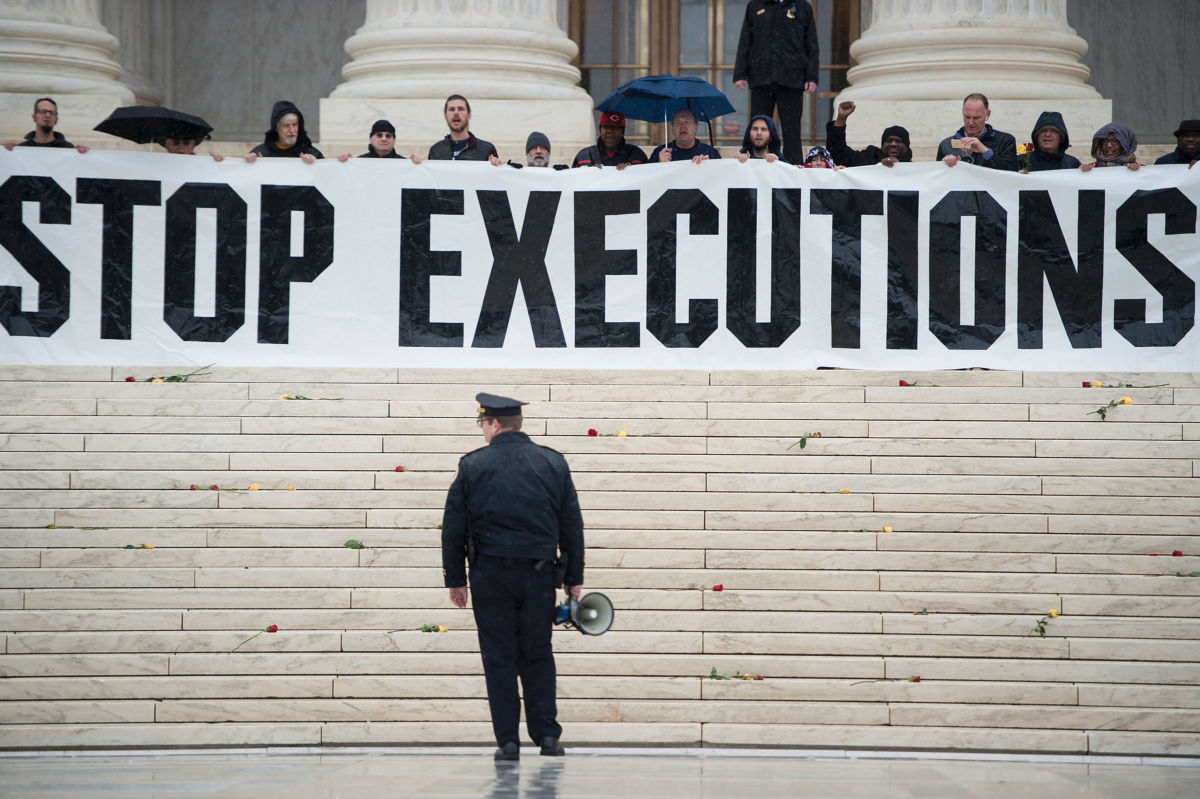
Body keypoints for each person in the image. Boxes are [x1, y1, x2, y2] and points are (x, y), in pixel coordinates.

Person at [442, 393, 585, 761]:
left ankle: (508, 741)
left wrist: (455, 579)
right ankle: (548, 736)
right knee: (538, 653)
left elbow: (453, 527)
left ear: (494, 424)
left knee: (499, 656)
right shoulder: (553, 462)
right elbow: (572, 524)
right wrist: (573, 577)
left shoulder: (472, 465)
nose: (482, 431)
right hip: (539, 575)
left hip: (490, 575)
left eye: (482, 424)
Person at [733, 0, 819, 166]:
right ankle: (753, 166)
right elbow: (746, 39)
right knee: (758, 126)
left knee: (791, 129)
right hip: (761, 77)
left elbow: (812, 44)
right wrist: (740, 73)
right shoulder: (755, 6)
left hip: (792, 78)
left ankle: (793, 170)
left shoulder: (802, 7)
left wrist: (811, 76)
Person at [936, 93, 1018, 170]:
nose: (971, 122)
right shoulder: (946, 145)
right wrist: (944, 165)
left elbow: (1011, 174)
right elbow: (938, 180)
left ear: (988, 114)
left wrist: (986, 152)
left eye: (976, 118)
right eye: (967, 117)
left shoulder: (1005, 141)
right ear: (962, 112)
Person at [824, 101, 911, 167]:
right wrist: (841, 118)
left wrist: (899, 167)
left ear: (906, 146)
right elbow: (838, 153)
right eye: (889, 140)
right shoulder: (869, 158)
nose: (893, 144)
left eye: (898, 141)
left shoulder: (915, 170)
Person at [427, 94, 498, 162]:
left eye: (461, 109)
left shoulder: (486, 150)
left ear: (469, 116)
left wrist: (496, 166)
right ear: (445, 116)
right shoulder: (436, 151)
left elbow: (496, 173)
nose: (456, 113)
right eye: (451, 109)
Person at [246, 100, 322, 162]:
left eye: (294, 124)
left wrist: (315, 164)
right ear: (276, 127)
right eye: (286, 125)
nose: (292, 130)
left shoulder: (311, 153)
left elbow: (326, 175)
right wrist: (250, 163)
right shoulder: (261, 153)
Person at [3, 97, 88, 153]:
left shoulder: (68, 149)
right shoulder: (23, 148)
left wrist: (86, 155)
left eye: (51, 113)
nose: (47, 115)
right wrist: (6, 151)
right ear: (34, 117)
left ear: (56, 119)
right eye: (43, 112)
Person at [571, 111, 647, 169]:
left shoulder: (637, 155)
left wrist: (633, 170)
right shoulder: (584, 156)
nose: (610, 131)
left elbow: (647, 179)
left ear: (622, 131)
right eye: (606, 127)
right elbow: (573, 182)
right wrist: (588, 173)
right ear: (600, 130)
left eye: (615, 127)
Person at [649, 109, 721, 164]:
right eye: (678, 122)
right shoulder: (660, 152)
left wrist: (709, 166)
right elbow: (647, 179)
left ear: (696, 127)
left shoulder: (711, 153)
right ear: (672, 128)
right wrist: (659, 165)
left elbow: (720, 179)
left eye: (687, 122)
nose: (683, 126)